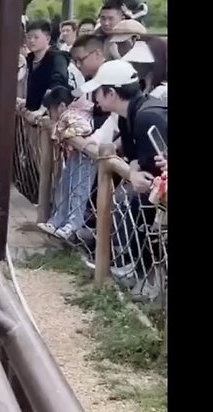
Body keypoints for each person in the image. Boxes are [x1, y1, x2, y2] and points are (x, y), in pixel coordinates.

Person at [79, 59, 167, 275]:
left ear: (111, 94)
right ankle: (125, 262)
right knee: (124, 197)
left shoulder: (147, 116)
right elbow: (136, 158)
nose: (95, 97)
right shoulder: (130, 114)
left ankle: (133, 266)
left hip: (159, 191)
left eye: (98, 91)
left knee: (129, 200)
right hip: (155, 186)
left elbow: (153, 171)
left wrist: (136, 175)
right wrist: (134, 173)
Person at [38, 85, 96, 241]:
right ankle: (58, 221)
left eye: (51, 111)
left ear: (61, 106)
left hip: (86, 156)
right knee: (66, 185)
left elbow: (85, 129)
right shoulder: (71, 114)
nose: (50, 115)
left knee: (78, 190)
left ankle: (73, 226)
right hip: (77, 154)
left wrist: (66, 134)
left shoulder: (71, 115)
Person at [22, 19, 72, 111]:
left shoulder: (57, 57)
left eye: (36, 37)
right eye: (29, 37)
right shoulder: (28, 59)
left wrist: (43, 108)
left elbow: (58, 83)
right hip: (29, 111)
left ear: (48, 39)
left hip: (49, 112)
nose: (32, 41)